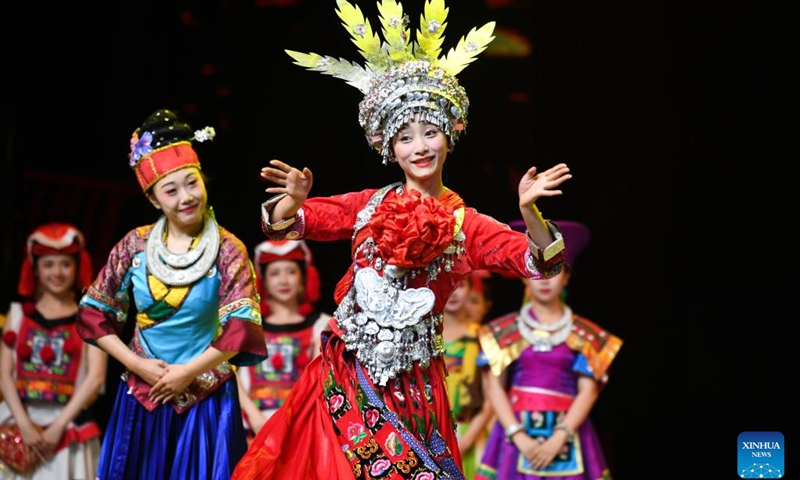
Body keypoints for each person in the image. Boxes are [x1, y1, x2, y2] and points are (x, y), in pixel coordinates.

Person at [231, 1, 572, 479]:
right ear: (390, 148)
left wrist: (528, 212)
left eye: (430, 132)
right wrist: (291, 202)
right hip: (345, 375)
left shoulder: (465, 224)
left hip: (412, 386)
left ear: (450, 138)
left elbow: (539, 262)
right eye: (406, 137)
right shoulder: (367, 205)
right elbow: (292, 224)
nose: (420, 147)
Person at [75, 109, 268, 480]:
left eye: (191, 183)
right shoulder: (135, 245)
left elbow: (241, 328)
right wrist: (137, 365)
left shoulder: (228, 249)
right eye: (171, 189)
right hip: (142, 393)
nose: (185, 197)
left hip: (206, 398)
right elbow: (92, 313)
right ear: (153, 199)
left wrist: (186, 374)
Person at [475, 220, 623, 480]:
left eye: (553, 271)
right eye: (538, 270)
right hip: (514, 437)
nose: (545, 280)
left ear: (566, 277)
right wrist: (519, 436)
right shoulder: (502, 331)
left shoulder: (586, 335)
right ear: (524, 276)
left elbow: (588, 390)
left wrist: (560, 437)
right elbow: (494, 387)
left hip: (569, 434)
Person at [0, 222, 107, 479]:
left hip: (68, 427)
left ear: (77, 267)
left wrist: (57, 427)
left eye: (65, 264)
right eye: (48, 264)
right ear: (35, 269)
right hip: (18, 422)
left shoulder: (91, 318)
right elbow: (3, 375)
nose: (57, 272)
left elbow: (96, 378)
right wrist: (24, 426)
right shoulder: (16, 315)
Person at [237, 239, 331, 441]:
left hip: (301, 429)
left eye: (291, 271)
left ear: (303, 276)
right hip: (254, 429)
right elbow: (232, 375)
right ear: (263, 280)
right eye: (274, 273)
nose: (283, 280)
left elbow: (316, 380)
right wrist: (255, 418)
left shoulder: (321, 326)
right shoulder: (249, 326)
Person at [442, 275, 494, 479]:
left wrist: (465, 441)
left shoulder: (483, 338)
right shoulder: (422, 336)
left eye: (461, 285)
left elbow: (491, 399)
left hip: (471, 436)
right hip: (428, 435)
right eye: (448, 283)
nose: (454, 291)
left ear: (471, 291)